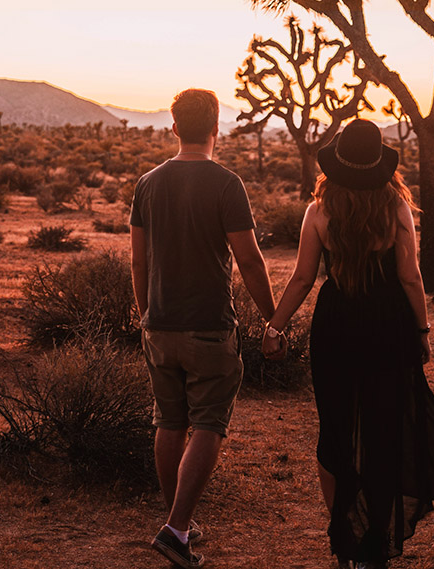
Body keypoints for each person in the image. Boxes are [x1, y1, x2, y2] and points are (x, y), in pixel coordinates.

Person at [262, 118, 434, 568]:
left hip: (337, 325)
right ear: (379, 163)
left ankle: (345, 537)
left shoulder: (318, 210)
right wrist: (422, 332)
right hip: (388, 325)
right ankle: (374, 542)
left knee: (334, 431)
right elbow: (410, 276)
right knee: (383, 432)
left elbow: (303, 277)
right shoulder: (395, 206)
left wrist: (275, 327)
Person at [131, 88, 277, 569]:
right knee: (209, 424)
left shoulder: (147, 183)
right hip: (209, 327)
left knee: (168, 421)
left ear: (174, 128)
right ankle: (176, 528)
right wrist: (274, 318)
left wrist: (145, 314)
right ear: (218, 127)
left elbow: (139, 259)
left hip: (160, 323)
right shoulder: (226, 184)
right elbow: (250, 260)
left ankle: (179, 522)